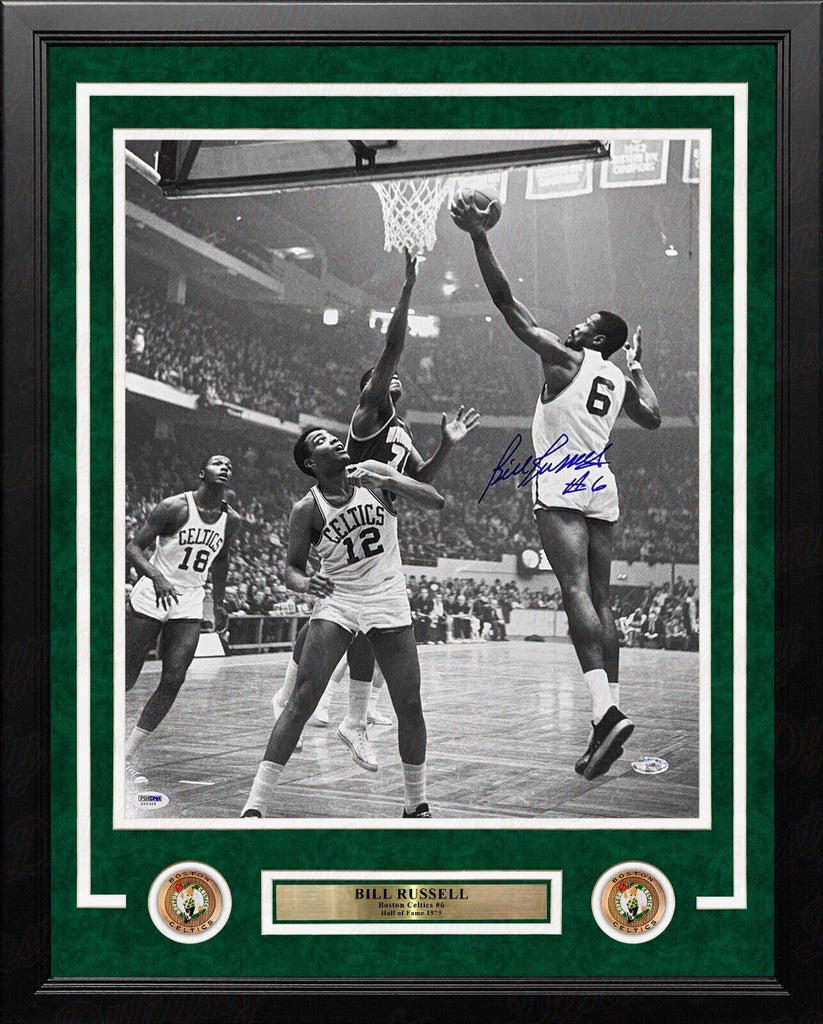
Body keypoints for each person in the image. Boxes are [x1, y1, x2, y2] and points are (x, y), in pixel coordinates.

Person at [451, 194, 662, 780]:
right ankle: (606, 716)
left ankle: (605, 710)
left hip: (564, 474)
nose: (577, 323)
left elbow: (506, 304)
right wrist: (638, 367)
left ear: (598, 337)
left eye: (588, 322)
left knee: (573, 591)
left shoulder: (565, 358)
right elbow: (652, 418)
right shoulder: (618, 380)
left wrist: (479, 237)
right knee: (603, 600)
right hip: (601, 478)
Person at [272, 250, 479, 766]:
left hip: (378, 520)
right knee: (343, 615)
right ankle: (314, 701)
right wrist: (407, 288)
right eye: (382, 377)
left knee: (356, 623)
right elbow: (393, 345)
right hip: (347, 509)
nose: (391, 379)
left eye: (392, 378)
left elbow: (420, 482)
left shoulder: (401, 431)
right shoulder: (367, 415)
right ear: (370, 387)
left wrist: (447, 445)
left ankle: (336, 710)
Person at [242, 427, 445, 818]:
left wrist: (388, 481)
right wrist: (306, 583)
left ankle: (415, 804)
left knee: (409, 703)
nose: (334, 440)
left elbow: (436, 500)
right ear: (311, 463)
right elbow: (290, 569)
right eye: (320, 441)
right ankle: (255, 805)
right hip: (340, 599)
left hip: (387, 595)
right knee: (302, 700)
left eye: (332, 436)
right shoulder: (307, 508)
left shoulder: (373, 471)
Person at [124, 454, 242, 784]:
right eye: (218, 463)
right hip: (153, 593)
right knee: (126, 677)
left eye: (229, 466)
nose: (225, 467)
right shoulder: (173, 507)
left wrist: (218, 603)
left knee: (175, 677)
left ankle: (126, 754)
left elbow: (221, 560)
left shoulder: (231, 520)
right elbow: (133, 548)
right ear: (201, 472)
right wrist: (156, 576)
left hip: (189, 599)